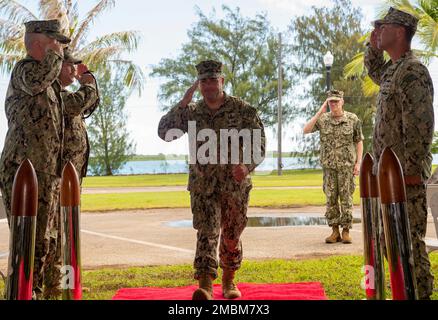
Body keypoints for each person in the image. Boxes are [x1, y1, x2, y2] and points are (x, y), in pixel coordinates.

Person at [158, 60, 265, 300]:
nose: (208, 85)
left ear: (222, 81)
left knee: (231, 234)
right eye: (203, 81)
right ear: (199, 84)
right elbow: (164, 132)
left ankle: (229, 281)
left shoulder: (242, 110)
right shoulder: (192, 112)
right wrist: (183, 102)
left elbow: (259, 144)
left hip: (234, 186)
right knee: (206, 232)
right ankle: (205, 285)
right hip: (203, 186)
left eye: (212, 80)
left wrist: (246, 167)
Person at [364, 7, 435, 299]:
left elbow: (420, 124)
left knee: (410, 245)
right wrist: (372, 45)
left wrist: (412, 171)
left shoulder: (413, 71)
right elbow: (374, 71)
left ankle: (421, 294)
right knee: (389, 242)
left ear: (401, 32)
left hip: (405, 177)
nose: (378, 31)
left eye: (384, 27)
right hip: (388, 176)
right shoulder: (393, 69)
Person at [0, 19, 69, 299]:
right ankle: (22, 294)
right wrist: (53, 56)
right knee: (26, 240)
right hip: (24, 169)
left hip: (45, 170)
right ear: (38, 42)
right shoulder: (25, 70)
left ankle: (36, 292)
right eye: (55, 42)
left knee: (43, 241)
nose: (60, 48)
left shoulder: (49, 82)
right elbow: (40, 80)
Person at [42, 48, 100, 298]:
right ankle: (53, 284)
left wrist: (89, 80)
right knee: (54, 233)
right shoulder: (53, 93)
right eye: (70, 66)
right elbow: (78, 104)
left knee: (65, 232)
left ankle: (63, 282)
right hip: (56, 175)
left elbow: (89, 103)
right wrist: (88, 82)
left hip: (70, 175)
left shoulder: (63, 92)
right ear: (57, 67)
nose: (74, 70)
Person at [303, 90, 364, 244]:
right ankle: (334, 231)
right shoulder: (323, 120)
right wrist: (319, 112)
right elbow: (306, 130)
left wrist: (358, 163)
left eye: (336, 101)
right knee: (330, 199)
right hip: (329, 168)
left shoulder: (352, 119)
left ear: (342, 101)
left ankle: (346, 231)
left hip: (346, 168)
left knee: (346, 199)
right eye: (331, 101)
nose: (333, 104)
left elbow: (359, 141)